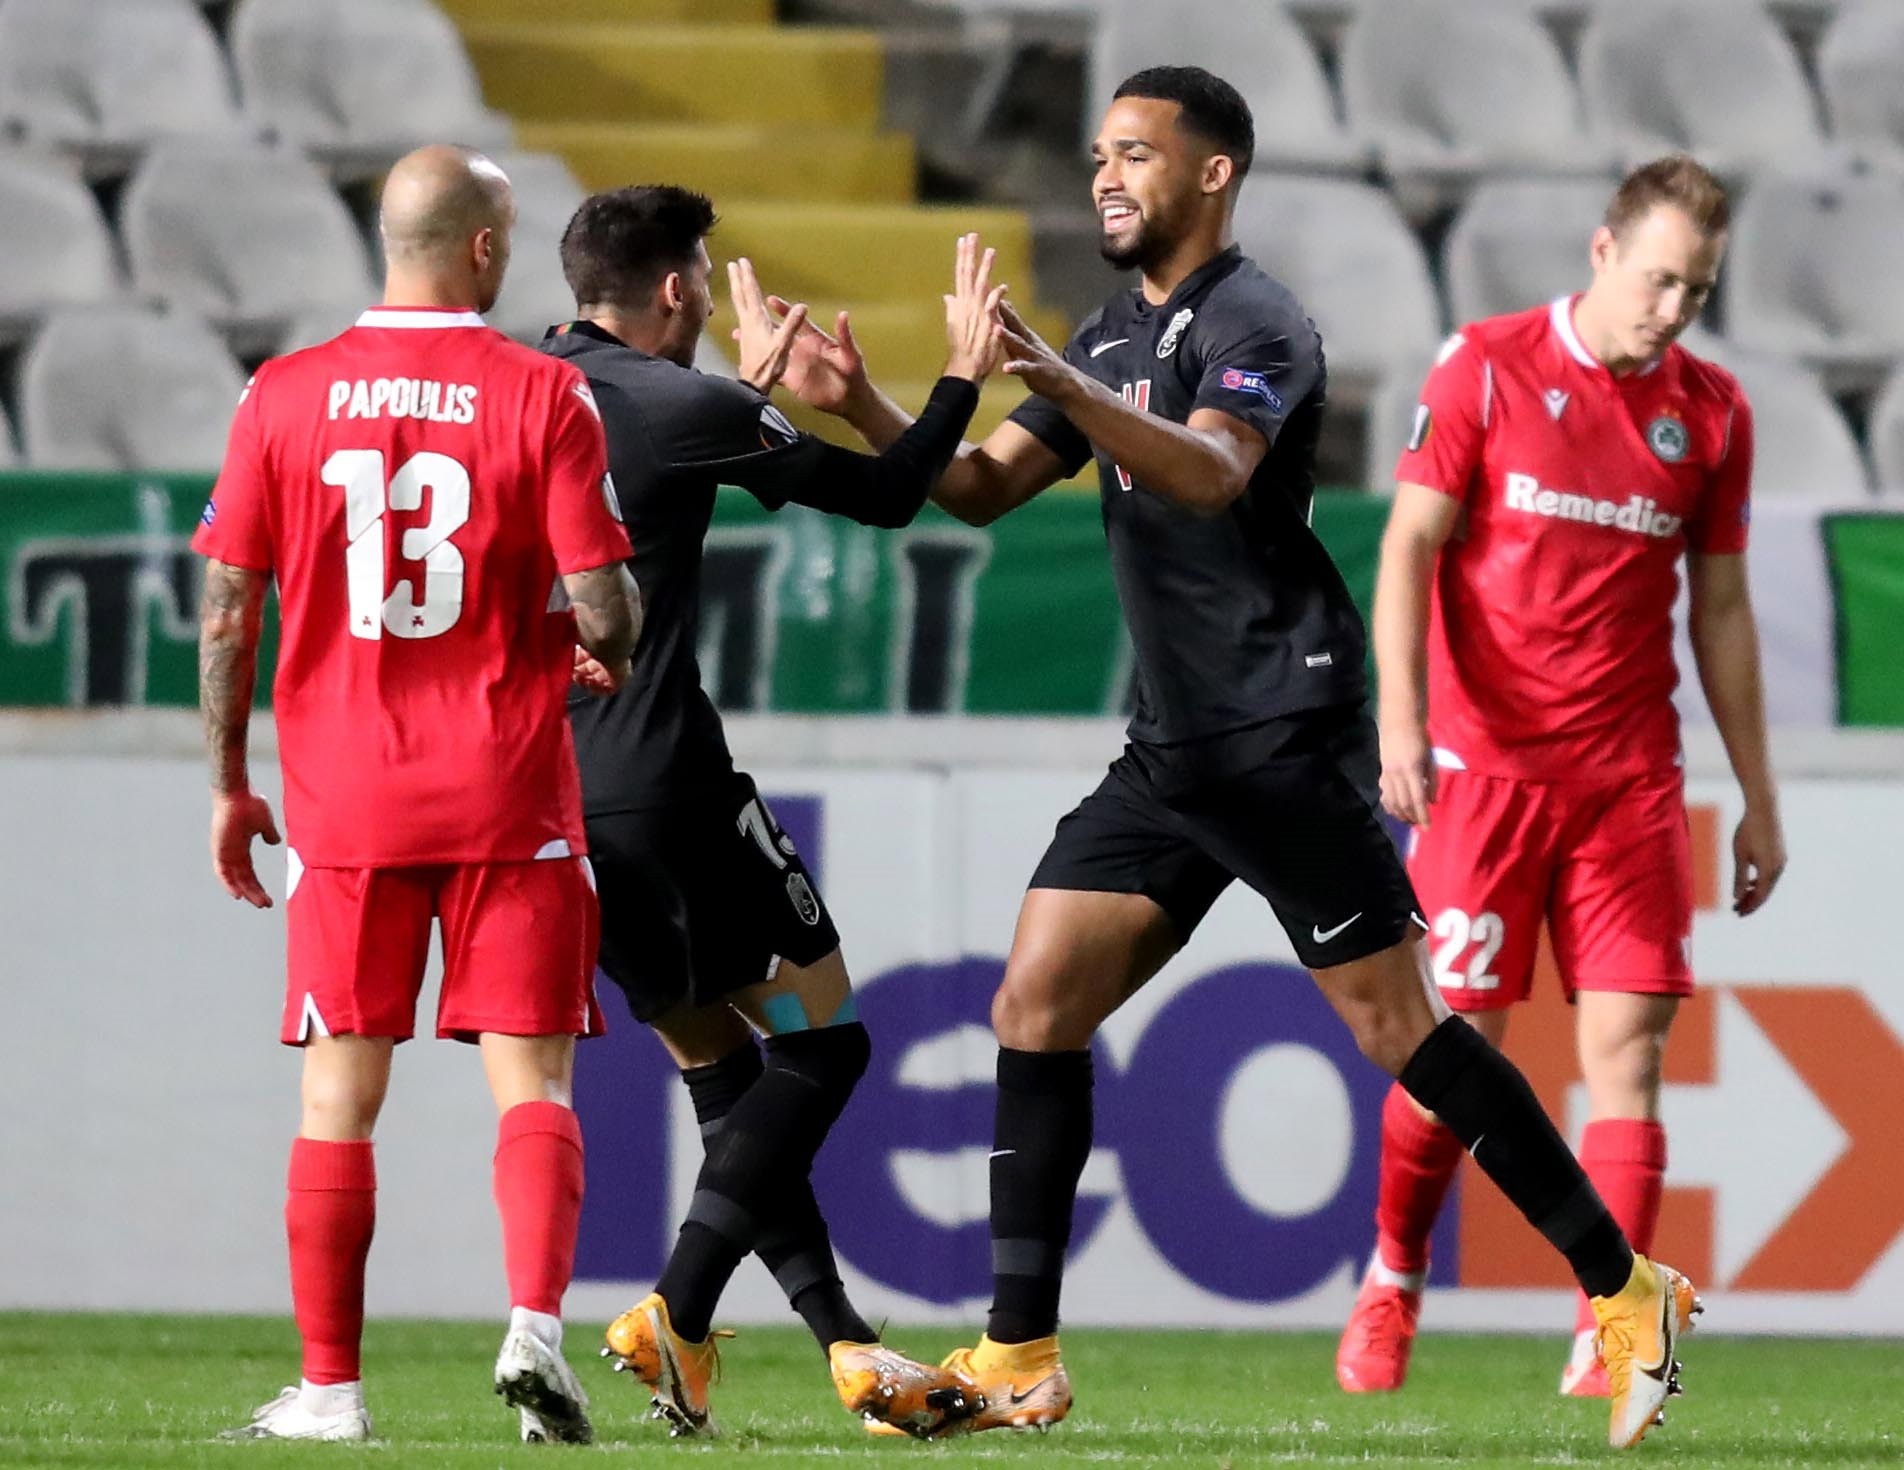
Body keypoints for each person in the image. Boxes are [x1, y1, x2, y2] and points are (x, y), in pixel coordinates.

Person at [773, 68, 1697, 1451]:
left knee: (1407, 1035)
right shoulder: (1106, 333)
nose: (1104, 177)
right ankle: (1020, 1351)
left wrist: (1059, 379)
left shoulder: (1259, 320)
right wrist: (859, 404)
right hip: (1173, 748)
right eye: (1098, 154)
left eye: (1134, 155)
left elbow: (1213, 471)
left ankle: (1631, 1293)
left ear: (1212, 175)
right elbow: (972, 492)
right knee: (1034, 1002)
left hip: (1278, 727)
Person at [537, 185, 1006, 1438]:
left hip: (552, 801)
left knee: (722, 1068)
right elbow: (896, 491)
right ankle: (673, 1313)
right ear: (679, 291)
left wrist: (741, 402)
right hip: (672, 790)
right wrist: (956, 379)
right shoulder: (689, 403)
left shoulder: (519, 392)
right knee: (827, 1044)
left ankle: (846, 1351)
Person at [193, 146, 642, 1445]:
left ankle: (330, 1389)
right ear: (487, 250)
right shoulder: (545, 396)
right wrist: (600, 635)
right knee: (534, 1086)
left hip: (346, 801)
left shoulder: (281, 395)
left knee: (338, 1100)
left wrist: (230, 783)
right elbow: (607, 606)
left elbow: (228, 612)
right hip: (509, 791)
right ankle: (534, 1331)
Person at [1336, 155, 1784, 1399]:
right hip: (1483, 772)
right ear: (1601, 255)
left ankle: (1612, 1322)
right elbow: (1408, 548)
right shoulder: (1482, 365)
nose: (1672, 311)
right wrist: (1402, 724)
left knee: (1626, 1051)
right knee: (1454, 1053)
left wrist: (1757, 793)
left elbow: (1724, 612)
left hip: (1628, 780)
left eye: (1695, 292)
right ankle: (1392, 1278)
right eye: (1657, 281)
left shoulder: (1711, 412)